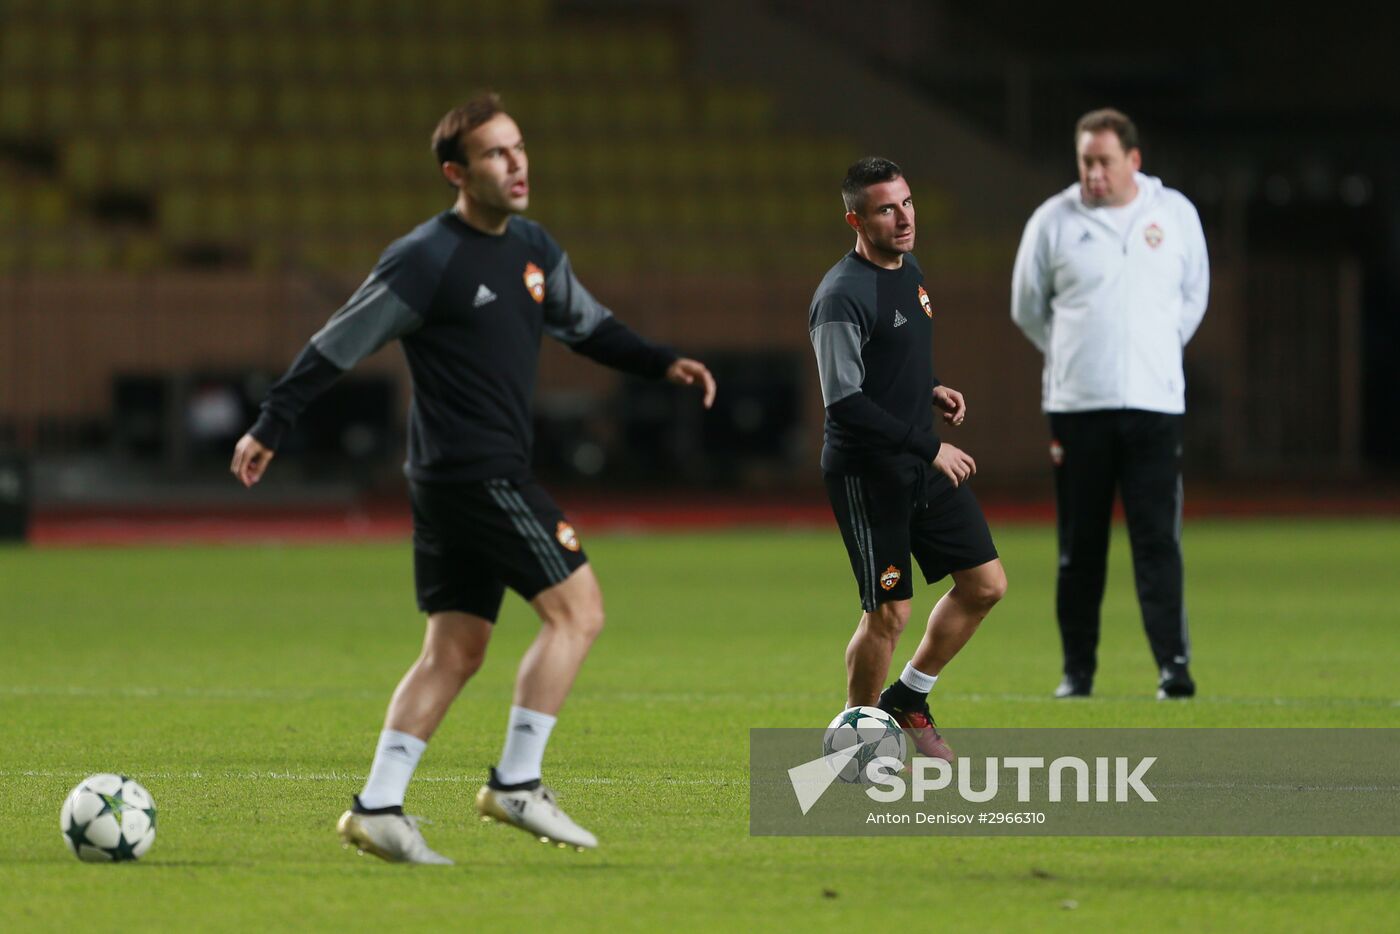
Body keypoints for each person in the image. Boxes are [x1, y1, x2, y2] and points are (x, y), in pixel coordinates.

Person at [230, 92, 716, 861]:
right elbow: (339, 341)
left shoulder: (532, 247)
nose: (516, 163)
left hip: (450, 479)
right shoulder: (426, 258)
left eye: (519, 147)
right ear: (457, 172)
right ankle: (517, 784)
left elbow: (588, 325)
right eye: (496, 153)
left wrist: (661, 362)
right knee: (578, 612)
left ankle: (378, 806)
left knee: (455, 649)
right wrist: (272, 421)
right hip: (477, 473)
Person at [808, 157, 1007, 762]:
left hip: (920, 461)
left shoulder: (909, 270)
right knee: (889, 612)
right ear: (855, 219)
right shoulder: (841, 296)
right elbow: (845, 403)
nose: (903, 218)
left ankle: (908, 697)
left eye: (908, 203)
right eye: (886, 209)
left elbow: (889, 365)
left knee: (985, 585)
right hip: (871, 475)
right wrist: (930, 444)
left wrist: (931, 389)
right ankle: (855, 739)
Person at [1011, 107, 1208, 700]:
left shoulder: (1174, 215)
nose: (1094, 173)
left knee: (1157, 540)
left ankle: (1173, 667)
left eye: (1104, 161)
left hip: (1154, 405)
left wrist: (1155, 351)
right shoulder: (1053, 220)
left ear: (1133, 160)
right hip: (1078, 406)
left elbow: (1193, 296)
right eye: (1085, 161)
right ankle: (1078, 672)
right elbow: (1027, 307)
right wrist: (1075, 355)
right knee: (1079, 546)